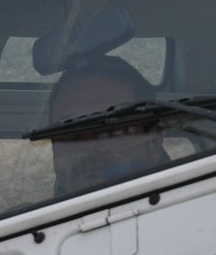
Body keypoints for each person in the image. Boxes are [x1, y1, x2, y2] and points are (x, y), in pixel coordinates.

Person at [46, 56, 169, 194]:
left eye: (108, 127)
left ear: (154, 142)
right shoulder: (31, 216)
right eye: (69, 131)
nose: (87, 143)